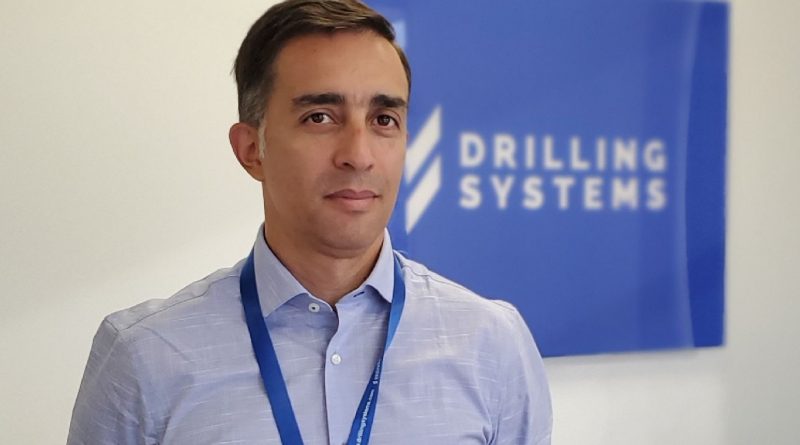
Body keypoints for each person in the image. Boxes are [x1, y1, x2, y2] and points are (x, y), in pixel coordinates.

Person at [67, 1, 552, 444]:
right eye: (320, 117)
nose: (359, 155)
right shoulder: (145, 356)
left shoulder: (491, 344)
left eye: (384, 120)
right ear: (251, 149)